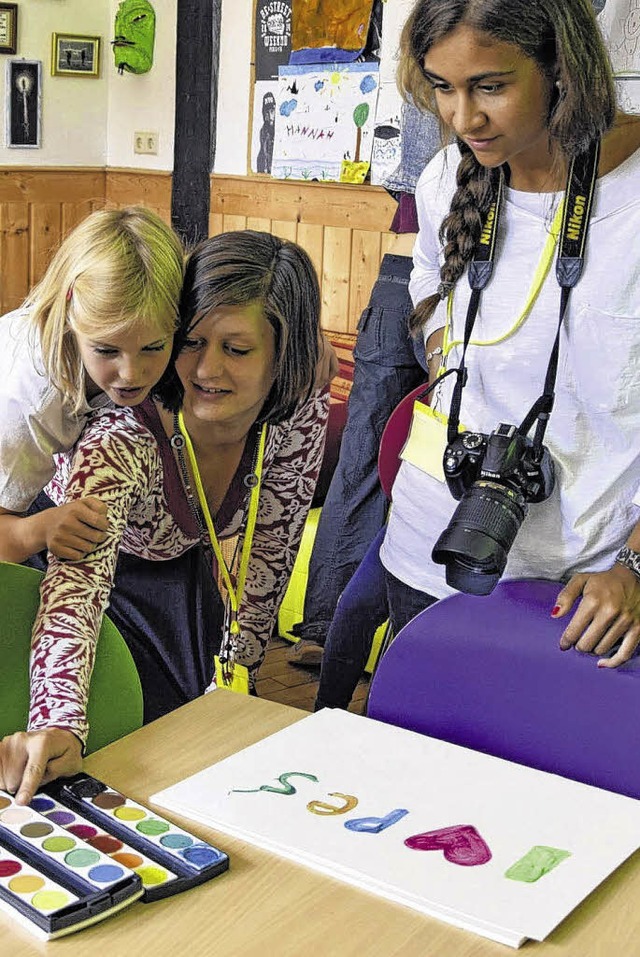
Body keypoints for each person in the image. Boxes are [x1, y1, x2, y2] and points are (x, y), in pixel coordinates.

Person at [0, 230, 328, 805]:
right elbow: (75, 590)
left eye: (238, 349)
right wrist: (60, 721)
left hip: (176, 570)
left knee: (185, 746)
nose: (206, 369)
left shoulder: (298, 408)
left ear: (286, 355)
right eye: (192, 342)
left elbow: (271, 548)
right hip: (66, 555)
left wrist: (241, 677)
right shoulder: (119, 434)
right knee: (106, 749)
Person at [374, 0, 640, 664]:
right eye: (442, 87)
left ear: (561, 68)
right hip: (426, 552)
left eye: (490, 85)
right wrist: (447, 359)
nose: (463, 118)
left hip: (589, 585)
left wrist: (635, 566)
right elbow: (427, 281)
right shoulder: (444, 179)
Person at [0, 205, 185, 566]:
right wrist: (41, 530)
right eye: (106, 350)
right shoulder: (33, 396)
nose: (131, 374)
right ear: (72, 321)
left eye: (153, 347)